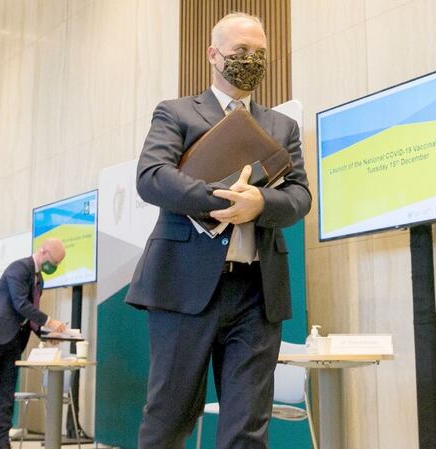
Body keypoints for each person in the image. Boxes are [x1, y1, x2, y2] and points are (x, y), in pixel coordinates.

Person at [125, 12, 311, 449]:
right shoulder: (176, 113)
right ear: (213, 54)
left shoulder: (282, 127)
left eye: (260, 53)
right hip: (182, 290)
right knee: (169, 420)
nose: (251, 60)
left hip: (256, 294)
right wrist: (226, 200)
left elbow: (300, 197)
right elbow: (151, 176)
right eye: (241, 51)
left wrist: (261, 203)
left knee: (247, 427)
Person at [0, 238, 69, 449]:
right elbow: (21, 304)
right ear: (44, 251)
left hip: (14, 341)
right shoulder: (19, 268)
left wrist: (46, 335)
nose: (54, 267)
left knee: (7, 395)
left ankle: (2, 442)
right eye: (54, 261)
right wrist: (50, 321)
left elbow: (30, 316)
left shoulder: (39, 279)